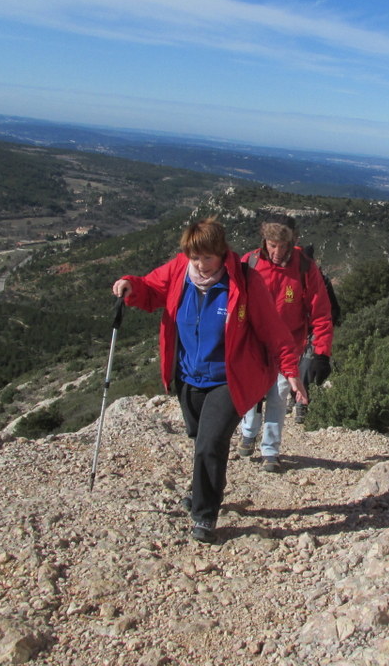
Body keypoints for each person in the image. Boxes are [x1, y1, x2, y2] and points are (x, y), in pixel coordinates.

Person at [111, 217, 306, 544]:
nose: (200, 265)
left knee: (210, 444)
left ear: (222, 253)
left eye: (208, 258)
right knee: (200, 439)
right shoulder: (178, 272)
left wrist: (291, 371)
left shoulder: (244, 281)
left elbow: (274, 331)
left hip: (228, 379)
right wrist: (129, 285)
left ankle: (204, 515)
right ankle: (203, 490)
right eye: (194, 257)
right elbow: (150, 289)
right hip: (188, 377)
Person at [237, 214, 334, 472]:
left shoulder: (305, 267)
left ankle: (270, 449)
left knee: (278, 396)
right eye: (272, 244)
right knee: (253, 392)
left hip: (289, 345)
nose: (277, 251)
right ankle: (248, 432)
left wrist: (322, 354)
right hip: (254, 344)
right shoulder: (250, 262)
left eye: (282, 245)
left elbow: (321, 312)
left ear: (293, 241)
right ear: (264, 241)